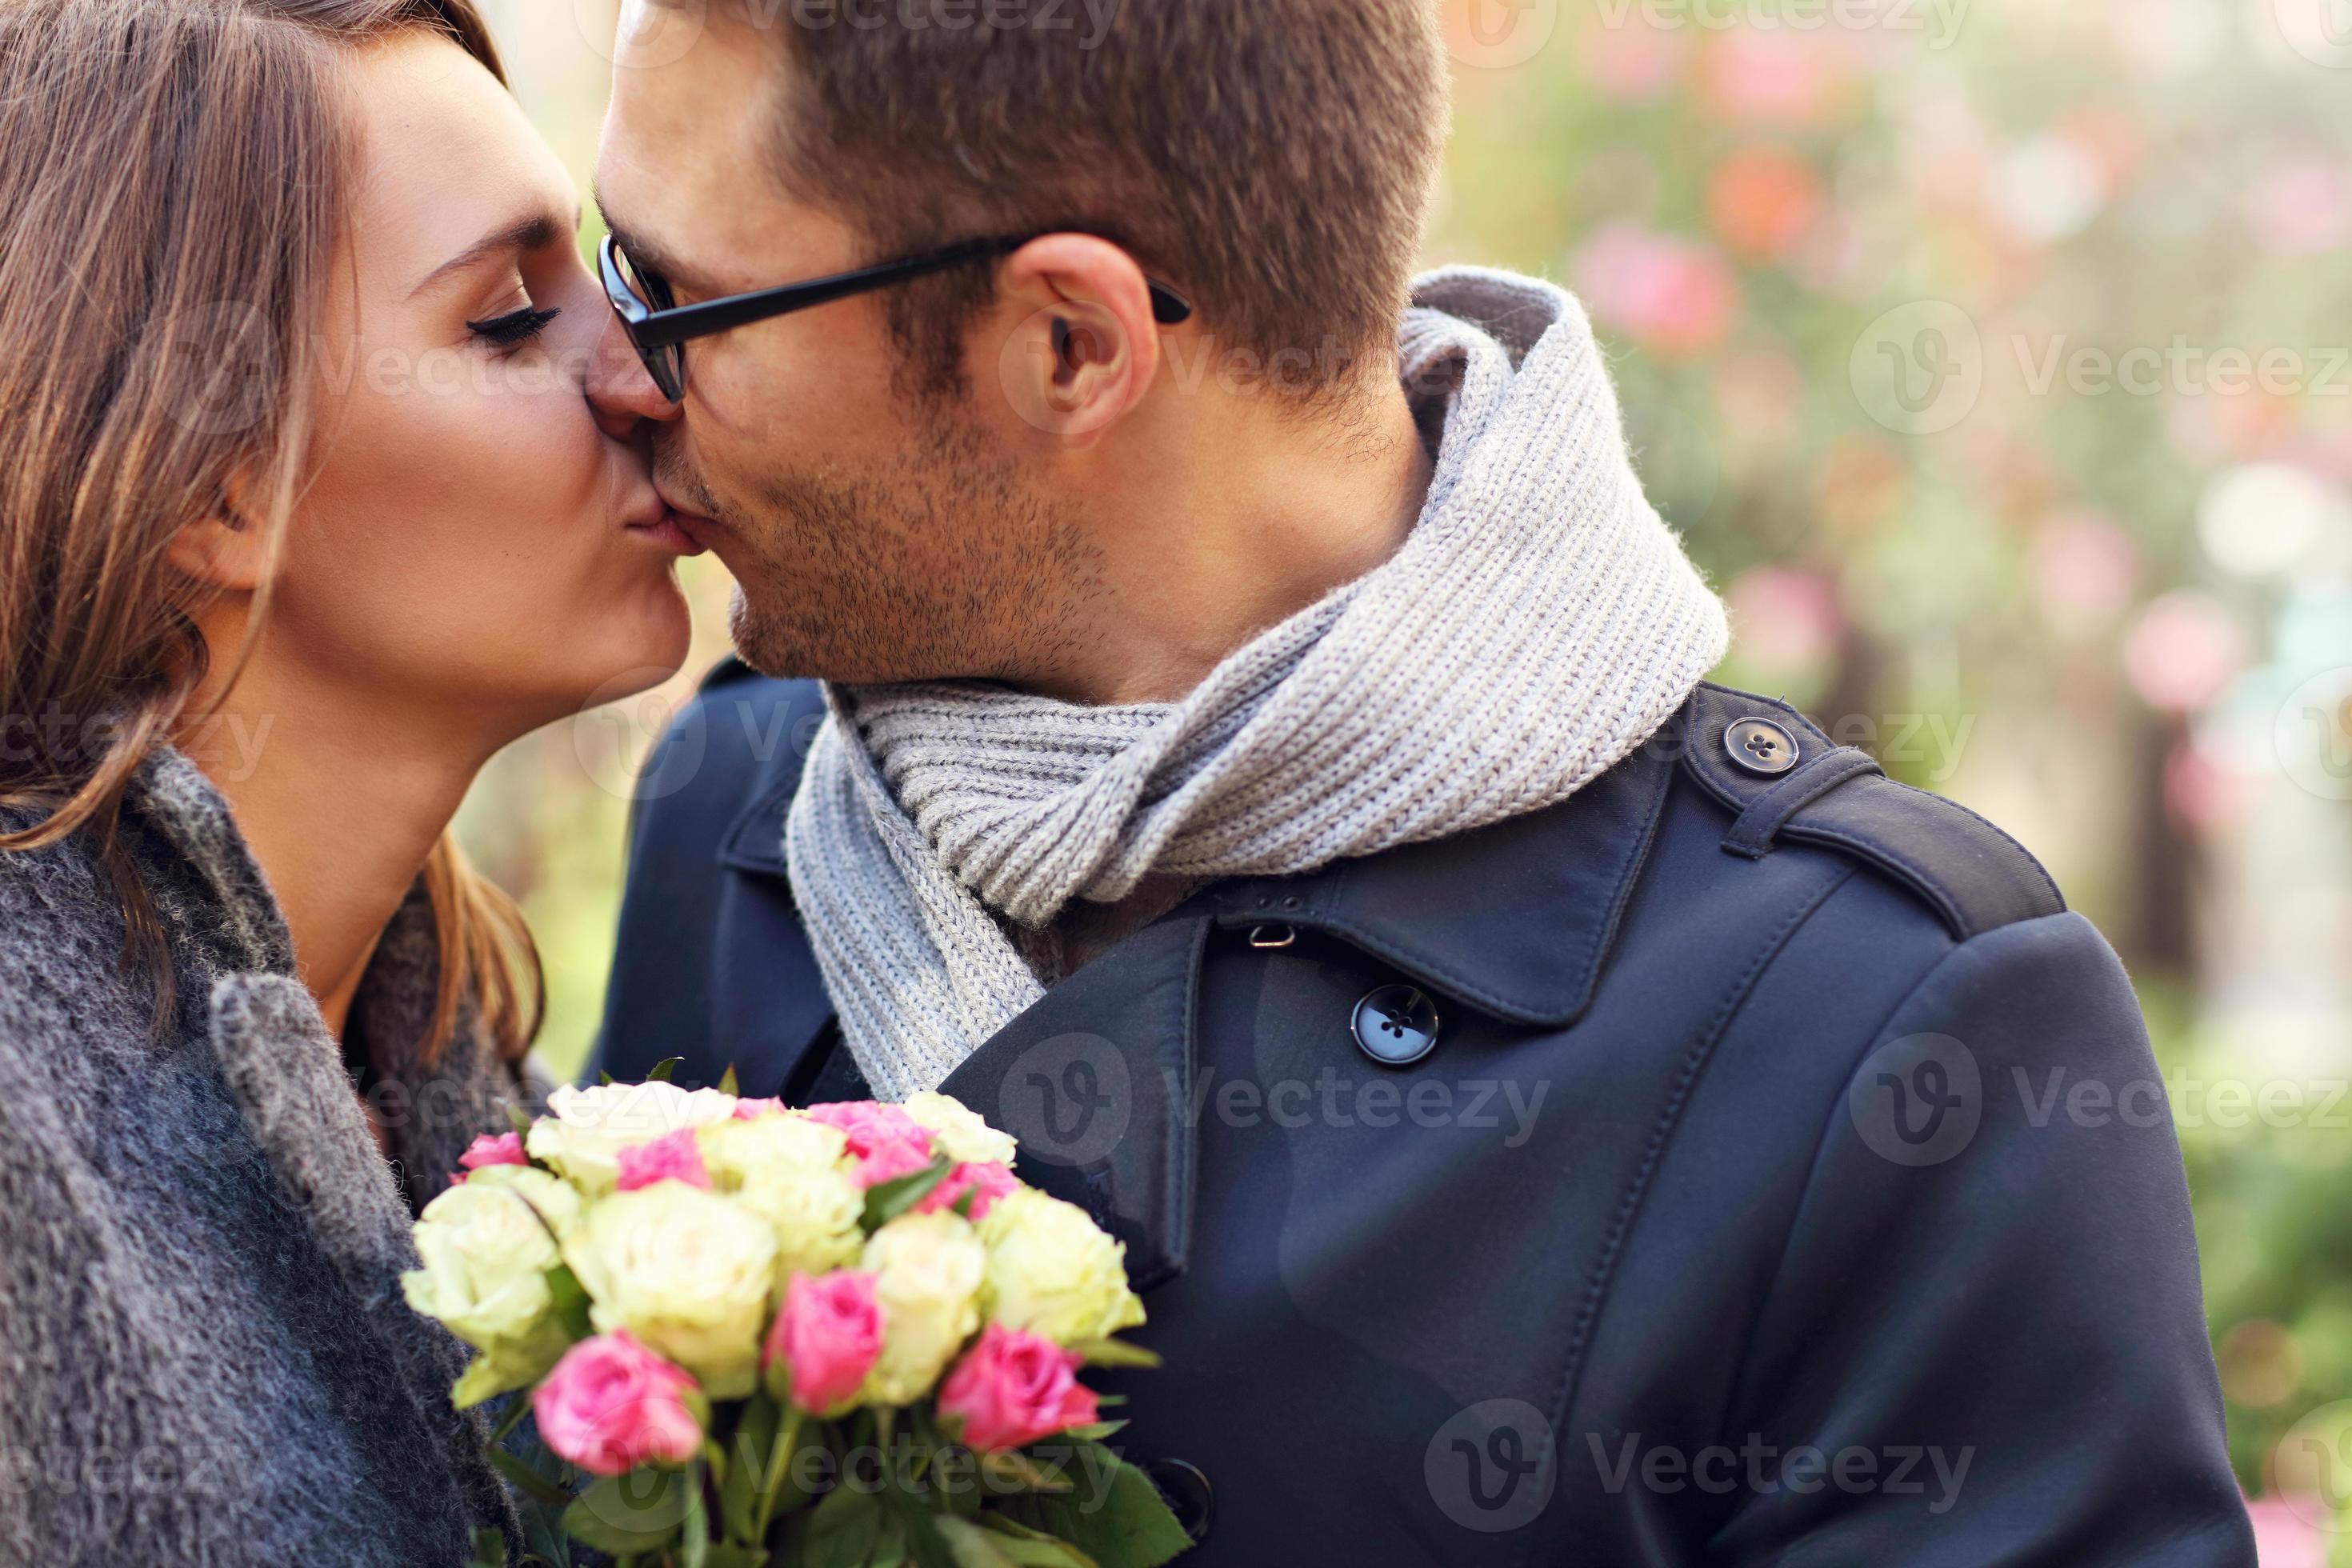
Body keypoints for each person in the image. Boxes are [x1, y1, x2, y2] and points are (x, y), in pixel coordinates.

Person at [587, 1, 2255, 1559]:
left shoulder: (1885, 1027)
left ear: (1069, 345)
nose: (609, 370)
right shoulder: (740, 808)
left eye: (669, 297)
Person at [0, 2, 697, 1562]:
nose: (648, 374)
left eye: (603, 276)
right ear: (203, 478)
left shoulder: (459, 1067)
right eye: (512, 317)